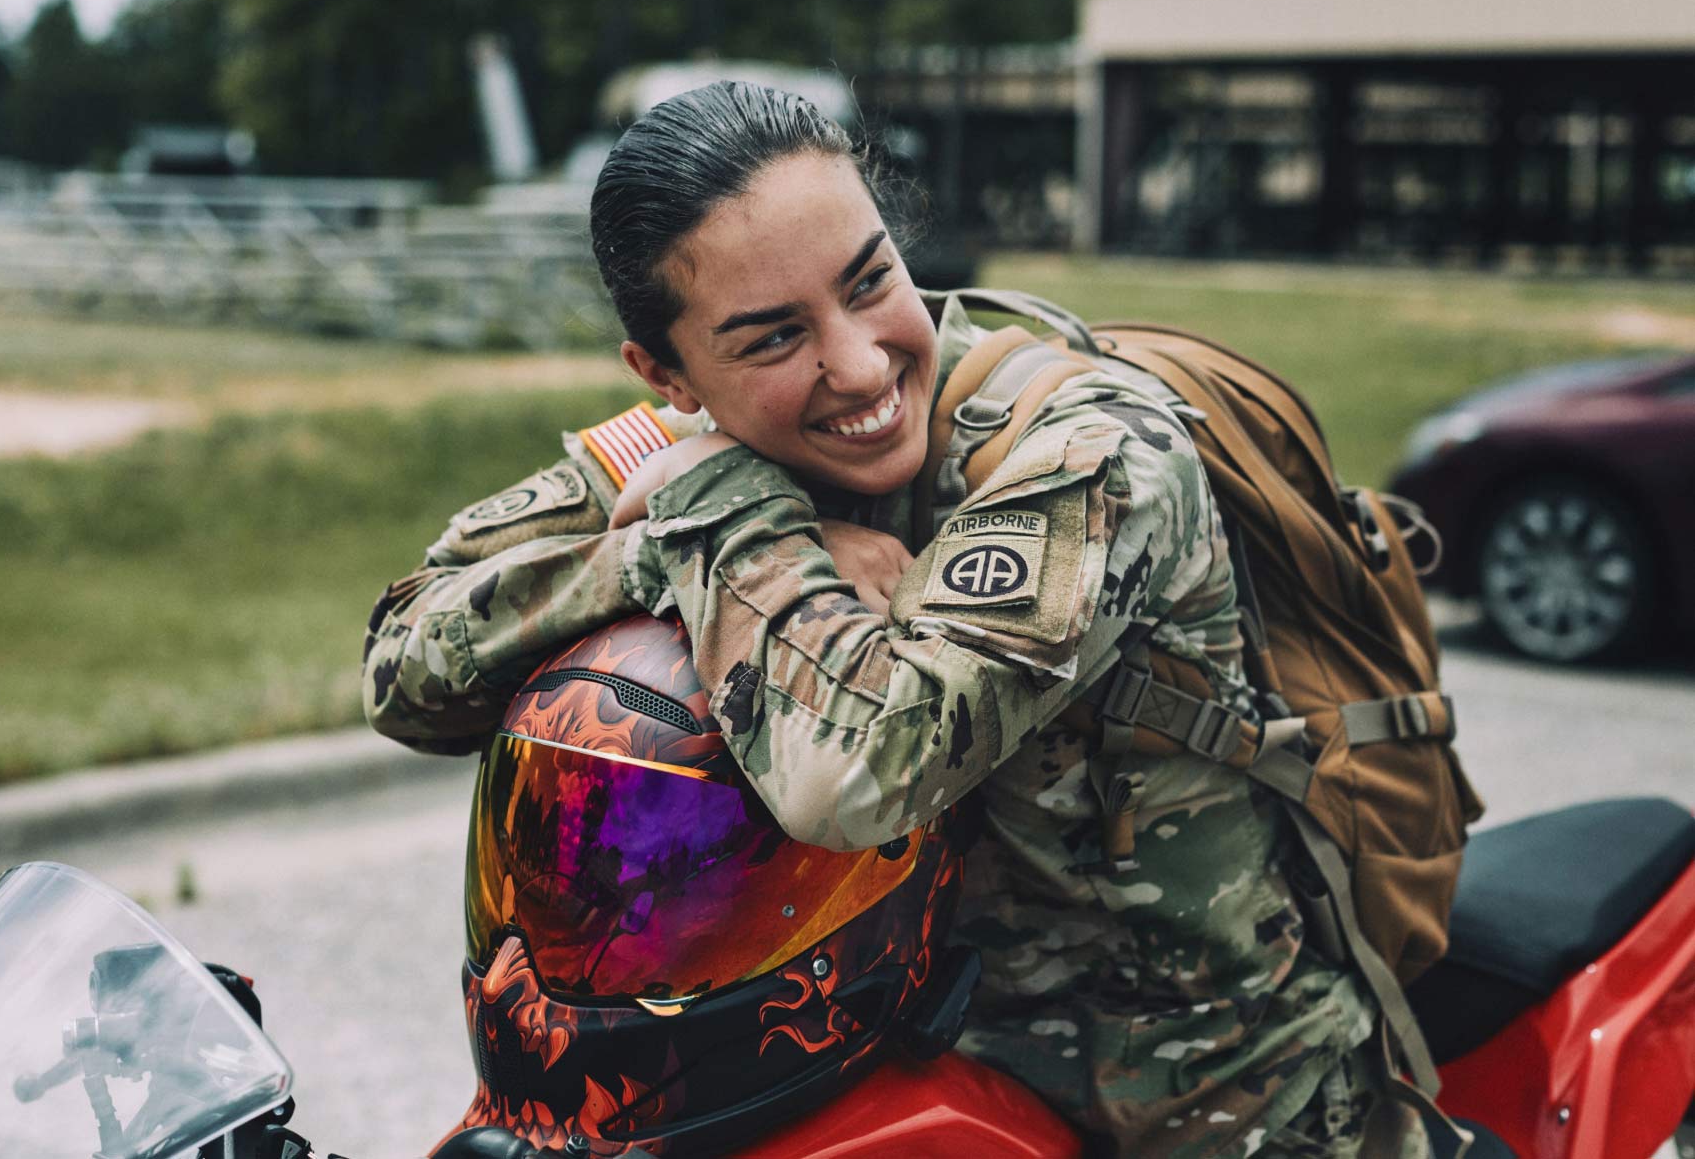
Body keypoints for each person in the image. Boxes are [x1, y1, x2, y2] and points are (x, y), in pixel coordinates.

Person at [361, 81, 1425, 1157]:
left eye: (870, 282)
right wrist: (652, 547)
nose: (861, 365)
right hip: (898, 1084)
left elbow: (857, 768)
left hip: (1215, 1113)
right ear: (665, 375)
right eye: (773, 338)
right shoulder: (688, 455)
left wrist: (723, 509)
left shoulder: (1094, 451)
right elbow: (404, 665)